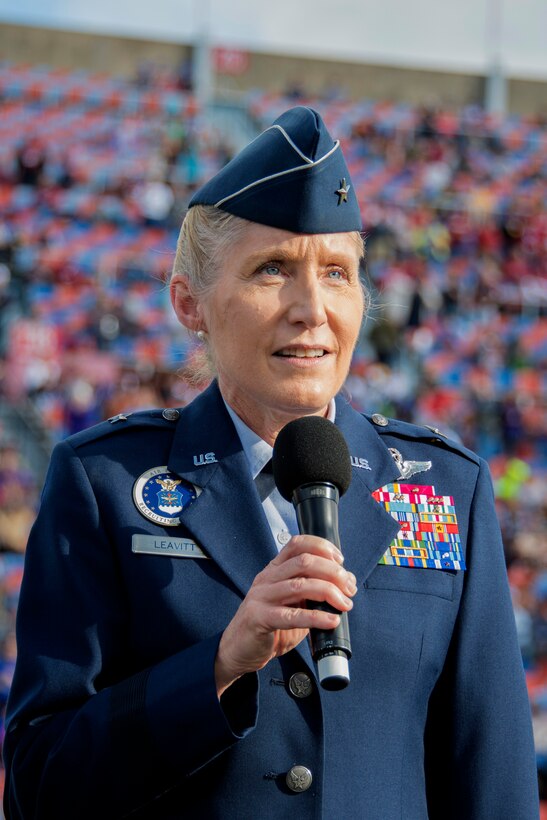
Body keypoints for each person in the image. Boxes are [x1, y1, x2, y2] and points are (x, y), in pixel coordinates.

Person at [2, 107, 539, 819]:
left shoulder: (447, 487)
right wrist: (221, 664)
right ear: (189, 303)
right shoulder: (103, 484)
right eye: (272, 270)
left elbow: (491, 783)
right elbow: (42, 787)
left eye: (337, 273)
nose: (310, 308)